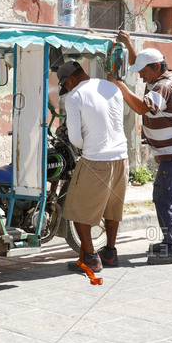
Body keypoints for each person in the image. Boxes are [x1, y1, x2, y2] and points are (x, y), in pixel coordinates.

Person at [109, 31, 172, 264]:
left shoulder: (163, 87)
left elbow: (142, 108)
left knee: (165, 198)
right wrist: (127, 44)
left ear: (157, 67)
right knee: (170, 198)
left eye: (144, 72)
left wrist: (119, 85)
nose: (140, 75)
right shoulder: (157, 77)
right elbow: (141, 64)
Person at [57, 61, 129, 272]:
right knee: (112, 209)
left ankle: (90, 257)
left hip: (96, 160)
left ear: (70, 80)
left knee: (76, 211)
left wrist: (84, 147)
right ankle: (110, 253)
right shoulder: (111, 87)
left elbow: (75, 138)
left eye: (66, 85)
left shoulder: (74, 96)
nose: (67, 89)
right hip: (121, 157)